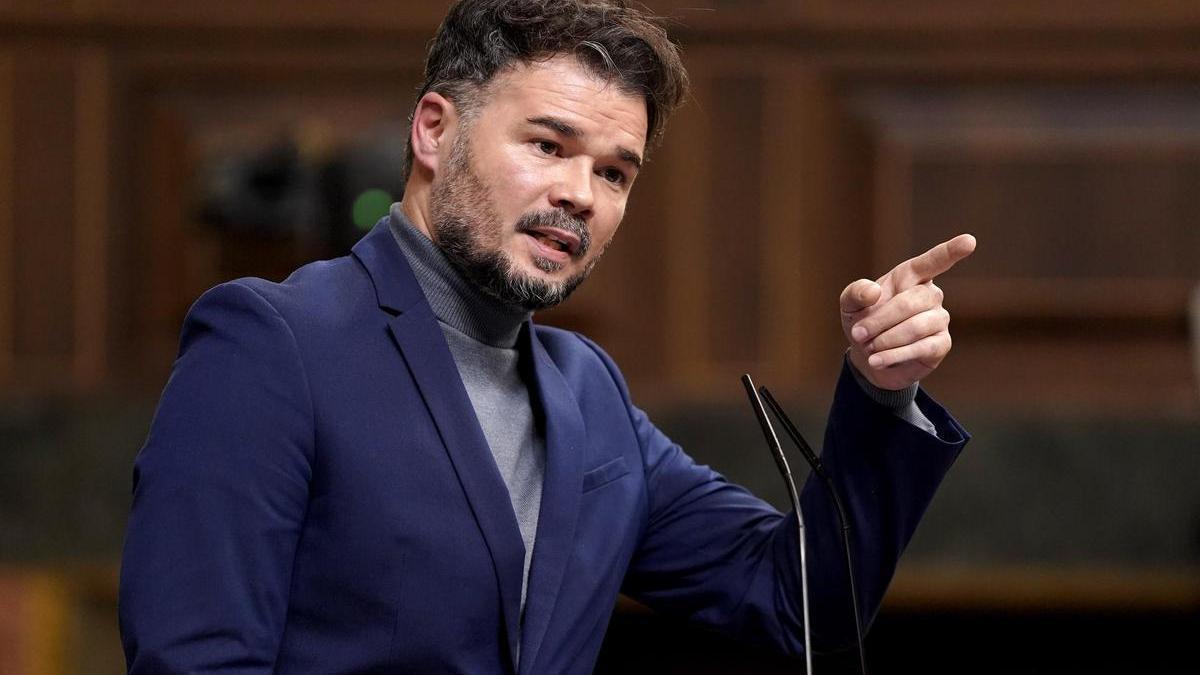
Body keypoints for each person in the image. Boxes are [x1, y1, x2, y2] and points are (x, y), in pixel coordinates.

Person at [118, 1, 976, 673]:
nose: (581, 194)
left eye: (613, 171)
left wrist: (879, 391)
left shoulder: (587, 391)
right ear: (433, 130)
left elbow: (797, 601)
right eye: (547, 145)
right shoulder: (274, 344)